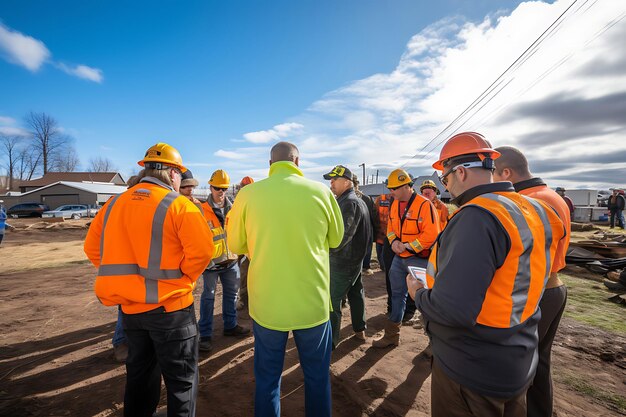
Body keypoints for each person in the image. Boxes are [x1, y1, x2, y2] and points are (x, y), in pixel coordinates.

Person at [407, 132, 565, 417]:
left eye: (445, 179)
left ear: (461, 172)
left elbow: (452, 310)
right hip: (518, 355)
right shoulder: (536, 209)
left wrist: (418, 294)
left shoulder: (476, 217)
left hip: (473, 366)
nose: (447, 187)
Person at [84, 142, 214, 417]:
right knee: (181, 383)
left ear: (147, 170)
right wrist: (183, 277)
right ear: (172, 173)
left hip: (131, 311)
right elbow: (202, 252)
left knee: (140, 380)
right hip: (172, 310)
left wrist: (128, 278)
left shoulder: (113, 203)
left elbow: (93, 250)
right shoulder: (180, 205)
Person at [226, 141, 343, 417]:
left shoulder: (248, 194)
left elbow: (236, 243)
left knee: (267, 380)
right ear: (298, 162)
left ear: (270, 165)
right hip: (312, 303)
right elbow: (336, 239)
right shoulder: (321, 192)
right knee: (317, 378)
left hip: (268, 304)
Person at [493, 145, 571, 417]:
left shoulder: (528, 201)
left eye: (492, 174)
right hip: (553, 287)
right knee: (539, 364)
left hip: (535, 291)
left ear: (506, 172)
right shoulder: (550, 195)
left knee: (517, 368)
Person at [372, 168, 440, 348]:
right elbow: (391, 227)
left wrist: (408, 246)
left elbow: (431, 235)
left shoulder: (425, 205)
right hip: (399, 258)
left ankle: (435, 344)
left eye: (394, 188)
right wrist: (393, 241)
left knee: (425, 300)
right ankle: (392, 335)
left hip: (419, 260)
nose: (391, 192)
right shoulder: (394, 203)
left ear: (405, 186)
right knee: (396, 296)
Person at [198, 169, 250, 353]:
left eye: (224, 188)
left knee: (231, 296)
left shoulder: (234, 209)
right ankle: (204, 334)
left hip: (230, 262)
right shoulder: (200, 210)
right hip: (211, 264)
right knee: (208, 298)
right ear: (211, 187)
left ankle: (230, 326)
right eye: (217, 188)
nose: (221, 192)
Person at [324, 165, 372, 348]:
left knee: (332, 302)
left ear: (346, 181)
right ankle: (360, 330)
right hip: (354, 260)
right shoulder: (356, 200)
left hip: (343, 262)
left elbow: (341, 237)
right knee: (356, 293)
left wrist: (324, 250)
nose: (331, 183)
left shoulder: (349, 203)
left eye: (334, 180)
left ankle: (330, 342)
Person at [352, 174, 378, 275]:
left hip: (359, 231)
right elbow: (374, 217)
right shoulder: (366, 198)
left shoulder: (343, 199)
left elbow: (374, 217)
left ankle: (363, 267)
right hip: (367, 230)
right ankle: (365, 267)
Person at [236, 176, 254, 312]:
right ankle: (244, 299)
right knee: (243, 275)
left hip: (253, 247)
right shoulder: (237, 203)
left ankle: (250, 301)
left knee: (253, 275)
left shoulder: (256, 203)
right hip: (243, 247)